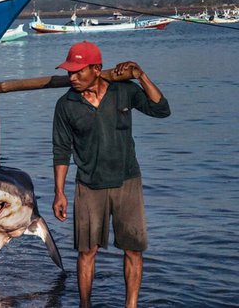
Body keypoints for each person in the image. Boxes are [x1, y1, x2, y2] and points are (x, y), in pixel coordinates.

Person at [51, 41, 171, 308]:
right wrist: (59, 192)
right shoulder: (66, 104)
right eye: (69, 72)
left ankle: (131, 305)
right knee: (87, 252)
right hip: (89, 185)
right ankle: (85, 305)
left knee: (133, 249)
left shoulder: (124, 91)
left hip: (127, 181)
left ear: (96, 69)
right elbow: (61, 150)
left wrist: (141, 75)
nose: (72, 77)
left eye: (78, 71)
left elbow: (161, 109)